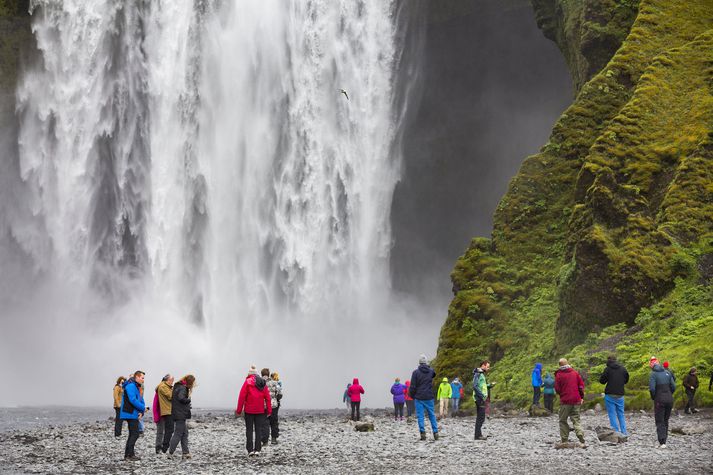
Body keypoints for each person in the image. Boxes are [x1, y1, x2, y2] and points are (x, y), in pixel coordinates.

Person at [236, 366, 271, 456]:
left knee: (249, 430)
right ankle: (258, 450)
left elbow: (242, 396)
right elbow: (267, 397)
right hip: (260, 411)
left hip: (249, 411)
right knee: (258, 430)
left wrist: (239, 410)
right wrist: (269, 410)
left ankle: (250, 450)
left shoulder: (247, 382)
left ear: (249, 374)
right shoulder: (263, 383)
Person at [554, 358, 585, 446]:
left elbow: (557, 389)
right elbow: (581, 386)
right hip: (576, 400)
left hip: (565, 401)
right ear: (568, 363)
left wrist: (561, 394)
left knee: (563, 420)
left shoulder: (559, 375)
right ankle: (580, 434)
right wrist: (581, 397)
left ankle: (564, 439)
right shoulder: (575, 373)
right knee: (576, 419)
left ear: (559, 365)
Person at [408, 354, 438, 441]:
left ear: (419, 363)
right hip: (429, 397)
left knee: (420, 416)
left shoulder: (415, 373)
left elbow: (413, 386)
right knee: (432, 415)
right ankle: (435, 433)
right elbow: (434, 374)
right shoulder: (431, 371)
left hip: (419, 397)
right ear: (426, 362)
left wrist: (412, 396)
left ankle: (423, 433)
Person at [599, 355, 629, 435]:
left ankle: (616, 432)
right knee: (621, 413)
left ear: (608, 361)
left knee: (612, 413)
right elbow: (626, 380)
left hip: (610, 394)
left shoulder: (607, 369)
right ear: (616, 360)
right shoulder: (623, 369)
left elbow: (602, 381)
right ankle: (624, 431)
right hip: (620, 394)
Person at [120, 371, 146, 461]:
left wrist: (142, 411)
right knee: (134, 434)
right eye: (142, 378)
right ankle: (129, 455)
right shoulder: (131, 386)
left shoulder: (136, 386)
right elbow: (133, 400)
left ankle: (128, 455)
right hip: (129, 413)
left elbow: (140, 399)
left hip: (132, 413)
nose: (143, 380)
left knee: (133, 434)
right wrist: (143, 408)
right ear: (137, 377)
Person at [649, 357, 675, 448]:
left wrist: (654, 397)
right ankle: (665, 440)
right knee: (666, 420)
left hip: (659, 400)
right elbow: (673, 386)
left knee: (660, 421)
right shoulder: (667, 372)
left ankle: (662, 442)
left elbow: (652, 389)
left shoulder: (653, 374)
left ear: (652, 366)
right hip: (669, 399)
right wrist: (669, 394)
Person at [168, 374, 195, 460]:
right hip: (180, 414)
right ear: (190, 382)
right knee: (178, 433)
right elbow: (181, 398)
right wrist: (188, 400)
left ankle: (185, 453)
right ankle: (170, 453)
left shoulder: (177, 386)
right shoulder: (183, 388)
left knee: (184, 433)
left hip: (178, 413)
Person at [260, 368, 283, 445]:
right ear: (269, 374)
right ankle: (274, 439)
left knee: (264, 423)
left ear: (262, 374)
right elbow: (280, 393)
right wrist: (276, 398)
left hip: (263, 405)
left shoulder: (260, 382)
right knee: (274, 422)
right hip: (274, 405)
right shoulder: (274, 382)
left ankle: (265, 441)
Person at [154, 374, 174, 454]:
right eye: (171, 380)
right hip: (165, 411)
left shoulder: (164, 386)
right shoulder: (163, 386)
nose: (172, 382)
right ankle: (162, 448)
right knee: (165, 430)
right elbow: (171, 396)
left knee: (165, 430)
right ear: (167, 380)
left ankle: (162, 447)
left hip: (165, 410)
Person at [472, 360, 490, 440]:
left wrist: (489, 386)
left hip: (480, 397)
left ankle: (478, 435)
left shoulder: (481, 373)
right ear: (483, 365)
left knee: (480, 416)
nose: (488, 368)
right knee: (481, 417)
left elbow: (481, 385)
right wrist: (482, 395)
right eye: (487, 366)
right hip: (479, 398)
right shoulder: (478, 373)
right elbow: (475, 386)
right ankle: (478, 435)